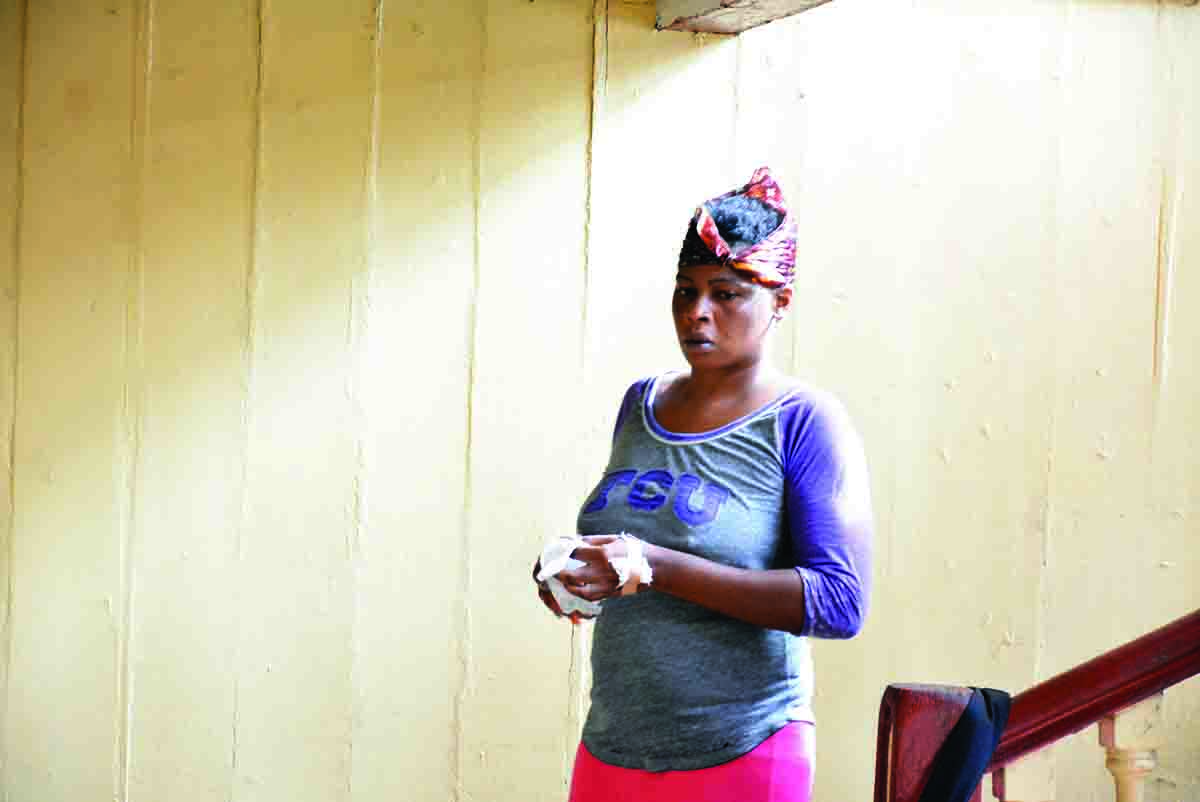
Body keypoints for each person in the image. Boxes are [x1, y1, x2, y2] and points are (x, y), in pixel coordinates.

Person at [533, 167, 874, 802]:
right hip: (614, 744)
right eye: (685, 291)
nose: (698, 313)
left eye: (727, 293)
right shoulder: (641, 404)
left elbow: (839, 601)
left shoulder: (804, 421)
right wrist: (577, 574)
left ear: (780, 301)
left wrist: (654, 566)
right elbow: (632, 553)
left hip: (744, 747)